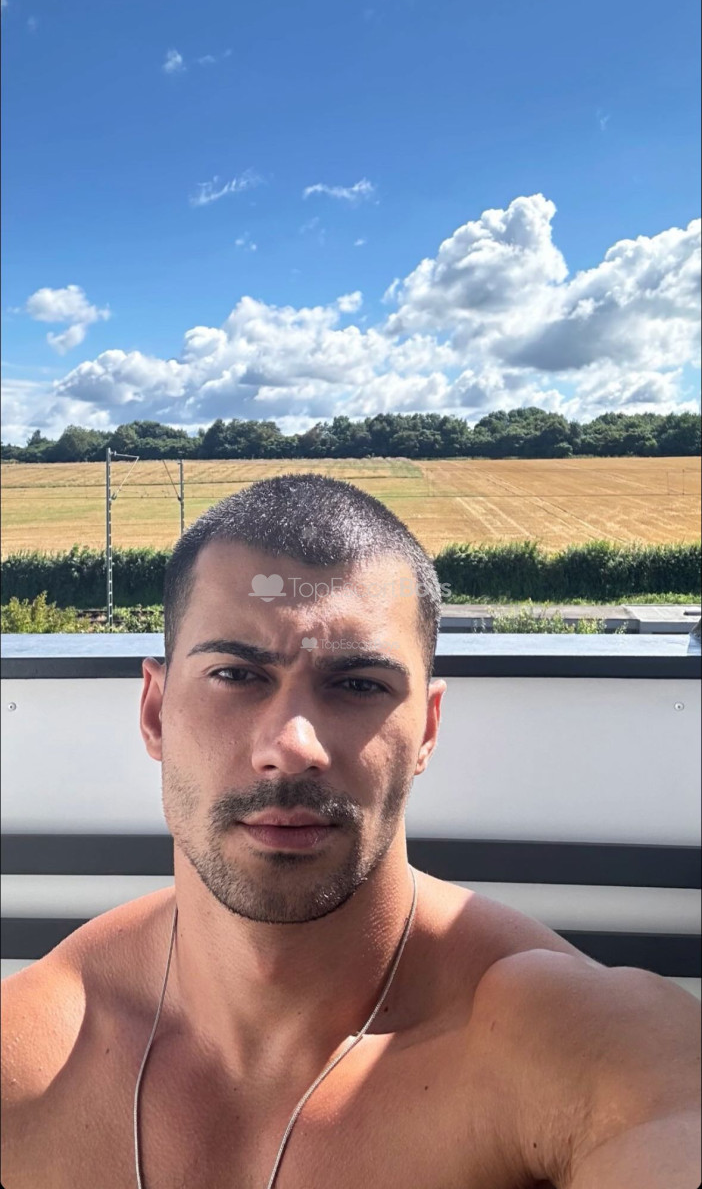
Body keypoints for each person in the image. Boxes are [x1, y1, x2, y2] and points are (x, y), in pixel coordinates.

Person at [1, 473, 699, 1189]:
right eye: (236, 674)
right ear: (154, 713)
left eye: (360, 683)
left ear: (426, 730)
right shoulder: (26, 1055)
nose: (292, 746)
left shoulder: (573, 1040)